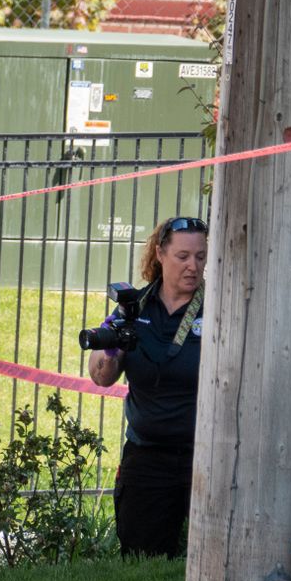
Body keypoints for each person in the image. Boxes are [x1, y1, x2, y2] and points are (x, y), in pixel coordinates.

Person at [87, 216, 208, 559]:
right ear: (160, 254)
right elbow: (101, 376)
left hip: (204, 457)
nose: (193, 266)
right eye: (183, 256)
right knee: (142, 565)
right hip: (147, 456)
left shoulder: (219, 309)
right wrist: (112, 349)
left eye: (200, 257)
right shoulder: (134, 306)